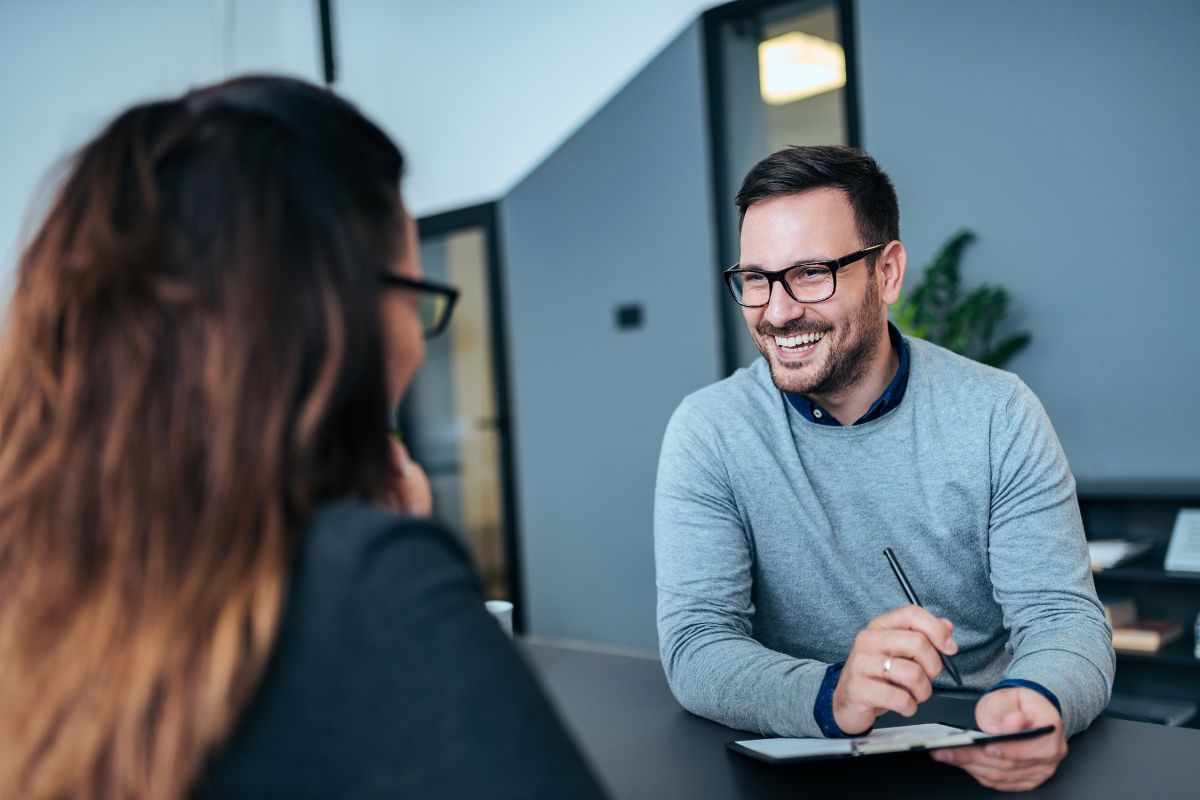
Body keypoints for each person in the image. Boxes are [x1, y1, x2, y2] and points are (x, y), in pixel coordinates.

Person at [0, 76, 605, 800]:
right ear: (332, 316)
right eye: (414, 296)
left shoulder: (35, 569)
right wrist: (392, 563)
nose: (416, 338)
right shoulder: (365, 583)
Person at [654, 145, 1113, 792]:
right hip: (801, 761)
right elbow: (697, 645)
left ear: (888, 273)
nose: (778, 310)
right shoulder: (710, 431)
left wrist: (1039, 698)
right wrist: (833, 694)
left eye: (811, 272)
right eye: (756, 278)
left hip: (974, 755)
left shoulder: (997, 413)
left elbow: (1064, 620)